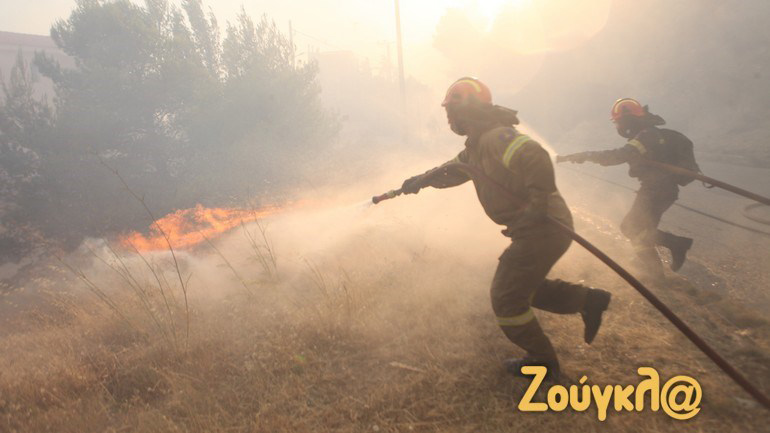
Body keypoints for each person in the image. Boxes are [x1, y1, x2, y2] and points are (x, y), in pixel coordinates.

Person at [401, 77, 611, 380]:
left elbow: (535, 156)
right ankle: (588, 300)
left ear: (468, 110)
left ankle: (542, 361)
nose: (449, 118)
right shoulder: (477, 146)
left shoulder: (495, 137)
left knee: (506, 298)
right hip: (541, 227)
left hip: (542, 227)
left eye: (452, 111)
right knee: (525, 289)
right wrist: (421, 180)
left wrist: (537, 207)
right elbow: (454, 170)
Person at [557, 98, 696, 278]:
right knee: (639, 230)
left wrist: (587, 155)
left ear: (629, 121)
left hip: (657, 190)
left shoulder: (647, 136)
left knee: (631, 228)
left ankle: (674, 248)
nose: (618, 127)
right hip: (659, 189)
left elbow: (619, 156)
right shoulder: (648, 134)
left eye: (619, 123)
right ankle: (655, 271)